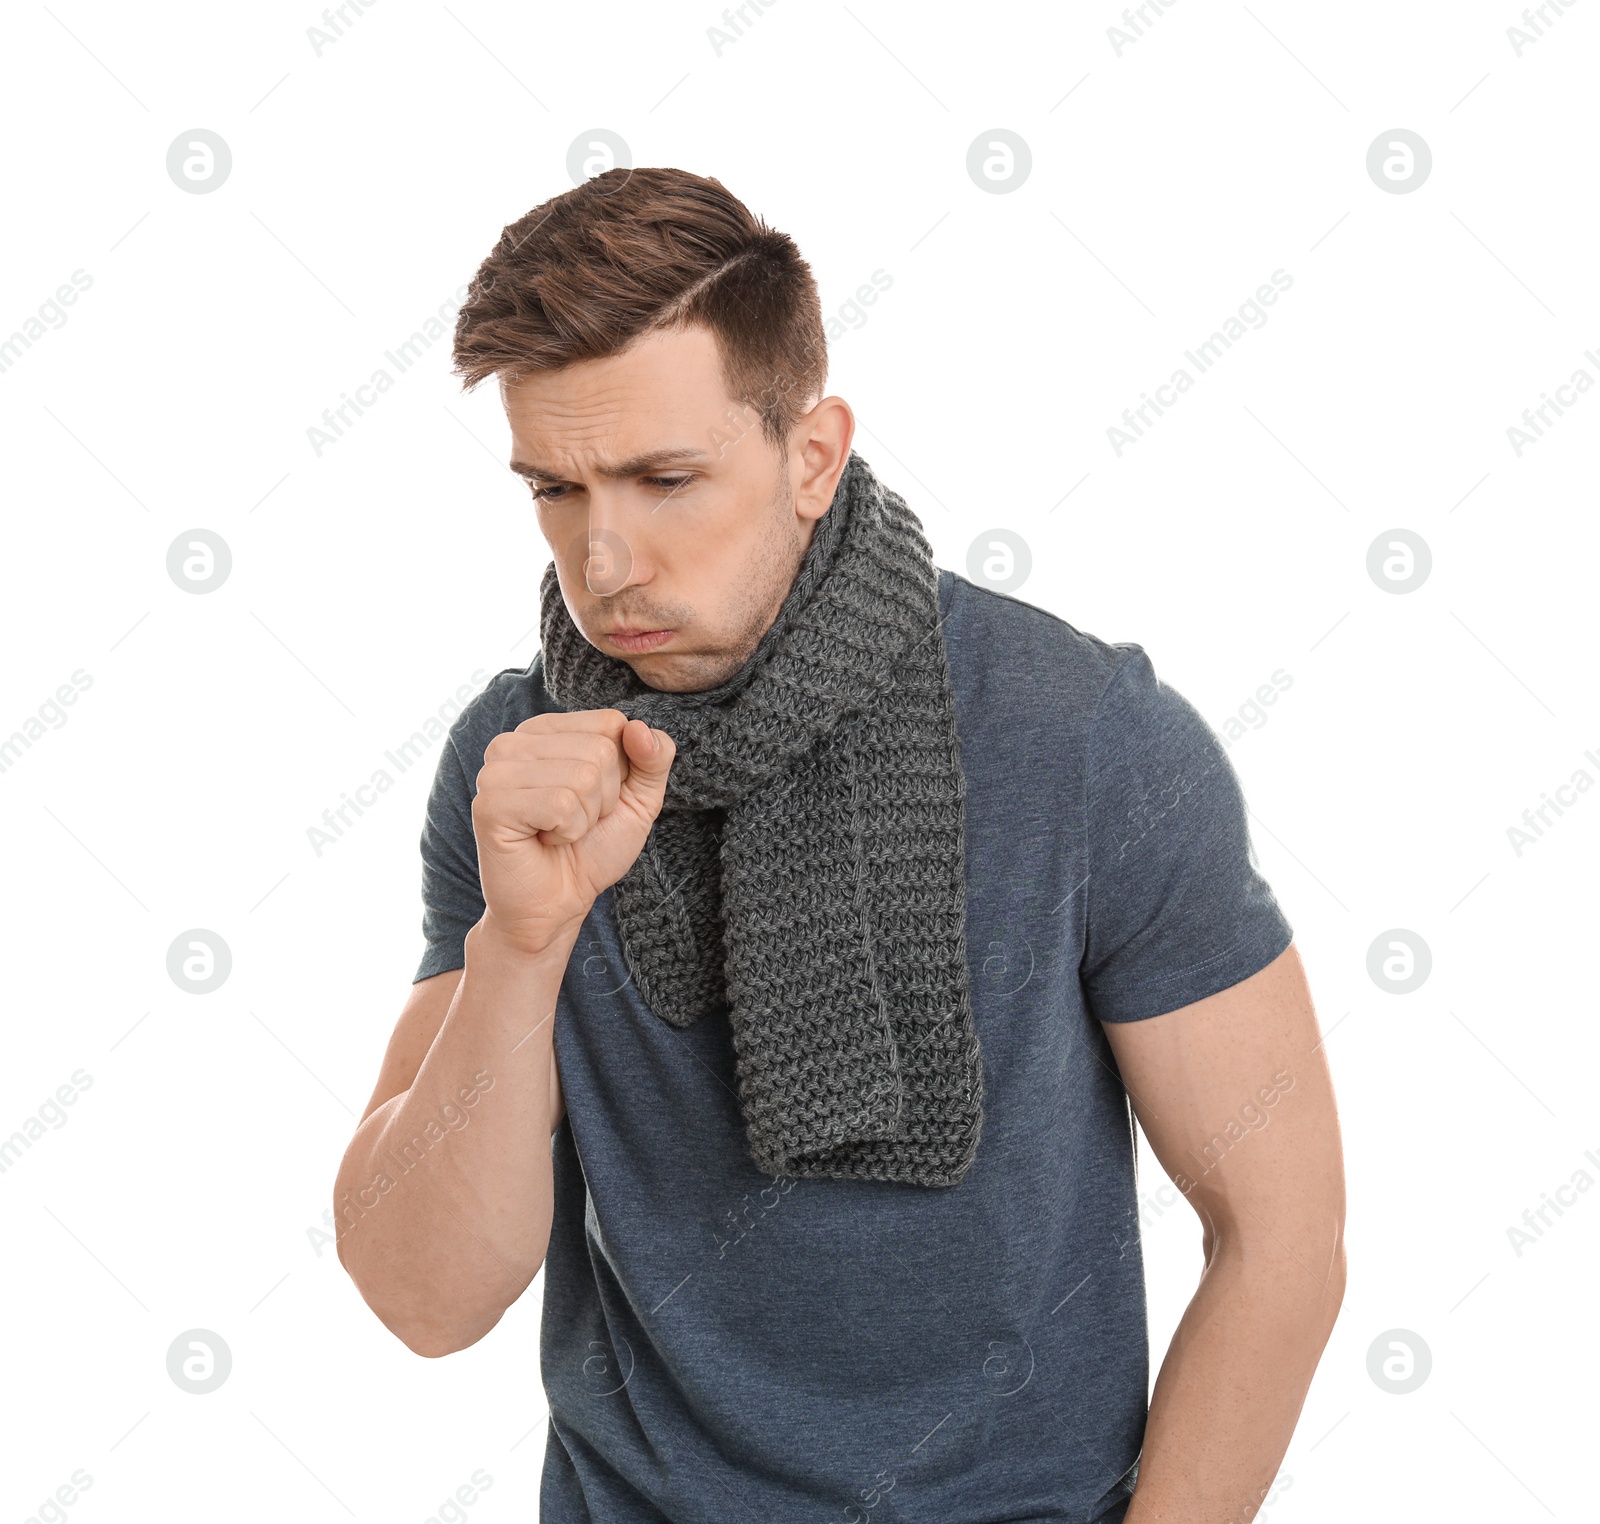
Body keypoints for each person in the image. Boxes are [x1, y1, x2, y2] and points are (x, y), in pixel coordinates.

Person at [333, 166, 1347, 1524]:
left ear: (811, 456)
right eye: (556, 491)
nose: (608, 559)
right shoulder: (522, 766)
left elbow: (1282, 1237)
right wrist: (524, 942)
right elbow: (425, 1297)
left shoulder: (1084, 735)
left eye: (664, 479)